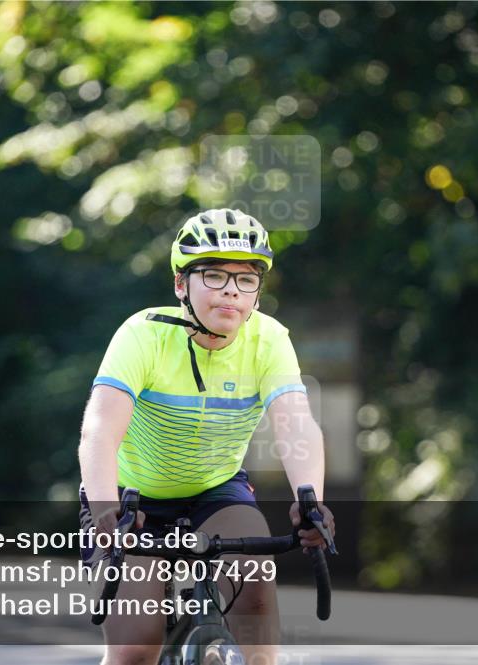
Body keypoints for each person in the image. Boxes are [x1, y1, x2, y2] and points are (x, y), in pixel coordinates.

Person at [78, 208, 336, 665]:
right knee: (135, 646)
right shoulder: (143, 335)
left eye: (246, 279)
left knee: (256, 588)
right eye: (214, 275)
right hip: (130, 500)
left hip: (216, 490)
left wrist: (309, 497)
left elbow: (294, 422)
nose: (232, 290)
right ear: (182, 284)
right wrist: (104, 510)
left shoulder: (269, 339)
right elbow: (100, 430)